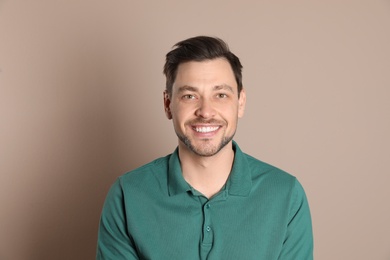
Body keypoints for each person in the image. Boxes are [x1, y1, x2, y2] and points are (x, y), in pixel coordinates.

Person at [96, 36, 313, 260]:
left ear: (240, 103)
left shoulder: (286, 196)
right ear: (168, 104)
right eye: (190, 96)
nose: (206, 111)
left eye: (220, 95)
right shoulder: (127, 196)